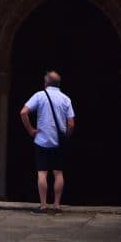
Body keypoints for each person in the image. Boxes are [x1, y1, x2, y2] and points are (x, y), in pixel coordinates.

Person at [19, 70, 75, 212]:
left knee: (42, 173)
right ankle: (56, 205)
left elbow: (23, 112)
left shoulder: (39, 96)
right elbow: (71, 123)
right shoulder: (65, 99)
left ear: (46, 83)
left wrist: (31, 130)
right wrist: (66, 136)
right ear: (58, 84)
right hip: (58, 142)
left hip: (42, 141)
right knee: (58, 173)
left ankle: (43, 205)